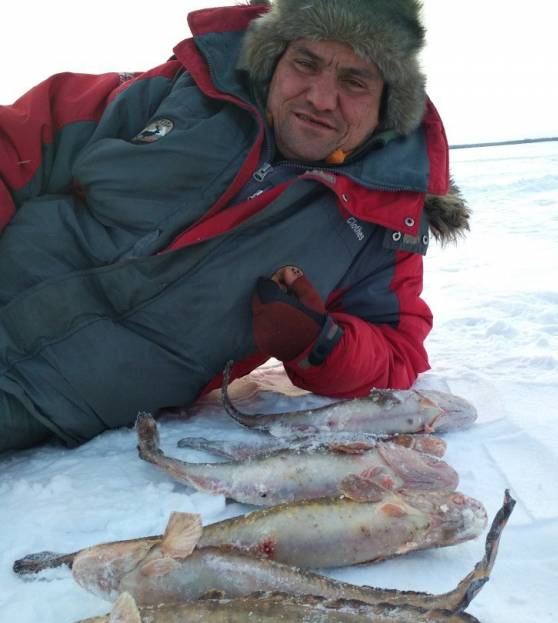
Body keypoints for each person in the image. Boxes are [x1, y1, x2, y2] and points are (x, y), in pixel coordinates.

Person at [0, 0, 469, 452]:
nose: (322, 98)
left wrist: (319, 343)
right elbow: (22, 137)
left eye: (355, 81)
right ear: (273, 58)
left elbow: (397, 351)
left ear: (389, 102)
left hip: (44, 403)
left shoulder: (379, 224)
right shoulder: (182, 92)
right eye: (306, 64)